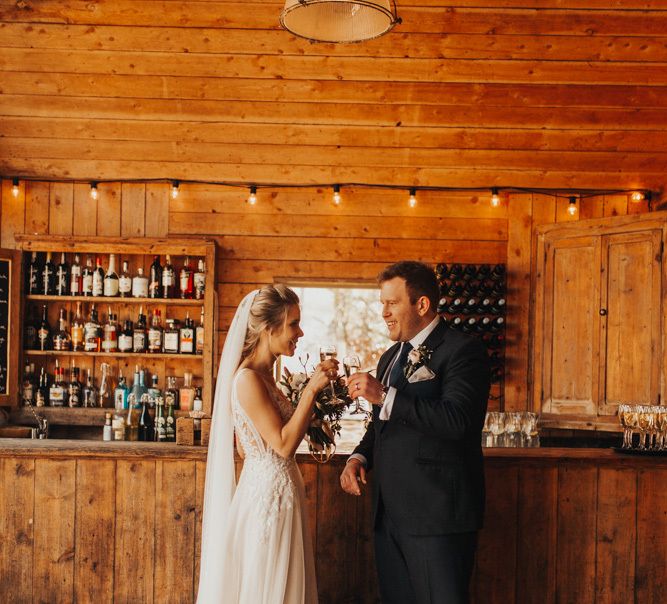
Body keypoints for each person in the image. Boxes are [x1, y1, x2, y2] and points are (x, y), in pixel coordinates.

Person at [340, 261, 490, 604]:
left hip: (437, 515)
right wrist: (359, 456)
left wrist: (384, 395)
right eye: (382, 303)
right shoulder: (390, 356)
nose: (384, 313)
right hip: (389, 513)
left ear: (421, 305)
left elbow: (458, 420)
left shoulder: (462, 350)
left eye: (392, 303)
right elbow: (383, 422)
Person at [197, 285, 337, 604]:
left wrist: (315, 417)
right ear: (268, 327)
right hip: (267, 500)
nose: (300, 332)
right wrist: (311, 392)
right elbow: (283, 445)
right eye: (293, 324)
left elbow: (249, 447)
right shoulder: (246, 379)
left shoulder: (266, 376)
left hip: (278, 491)